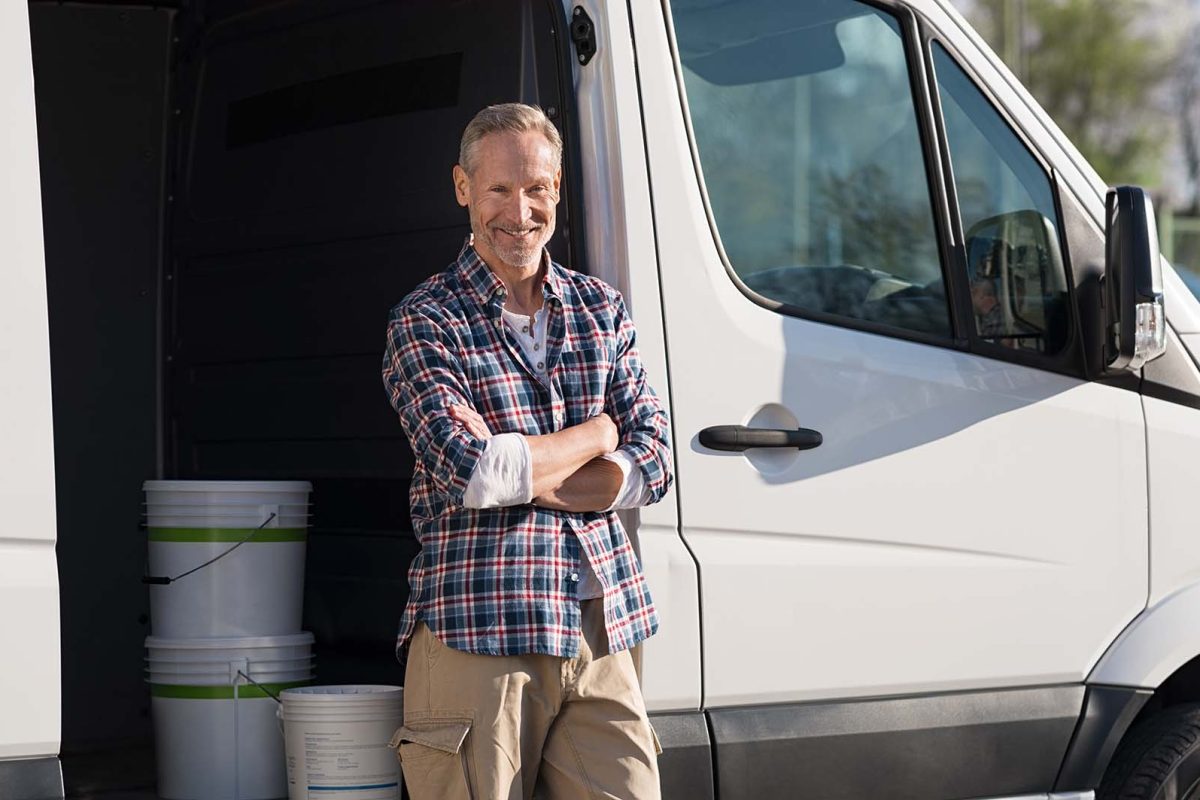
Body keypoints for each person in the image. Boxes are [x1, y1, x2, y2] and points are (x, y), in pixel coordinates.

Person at [381, 103, 673, 800]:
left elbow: (657, 460)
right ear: (462, 188)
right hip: (478, 629)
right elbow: (473, 471)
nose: (520, 210)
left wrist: (527, 472)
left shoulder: (600, 308)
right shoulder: (426, 320)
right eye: (499, 189)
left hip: (602, 628)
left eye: (537, 188)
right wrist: (598, 436)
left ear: (558, 189)